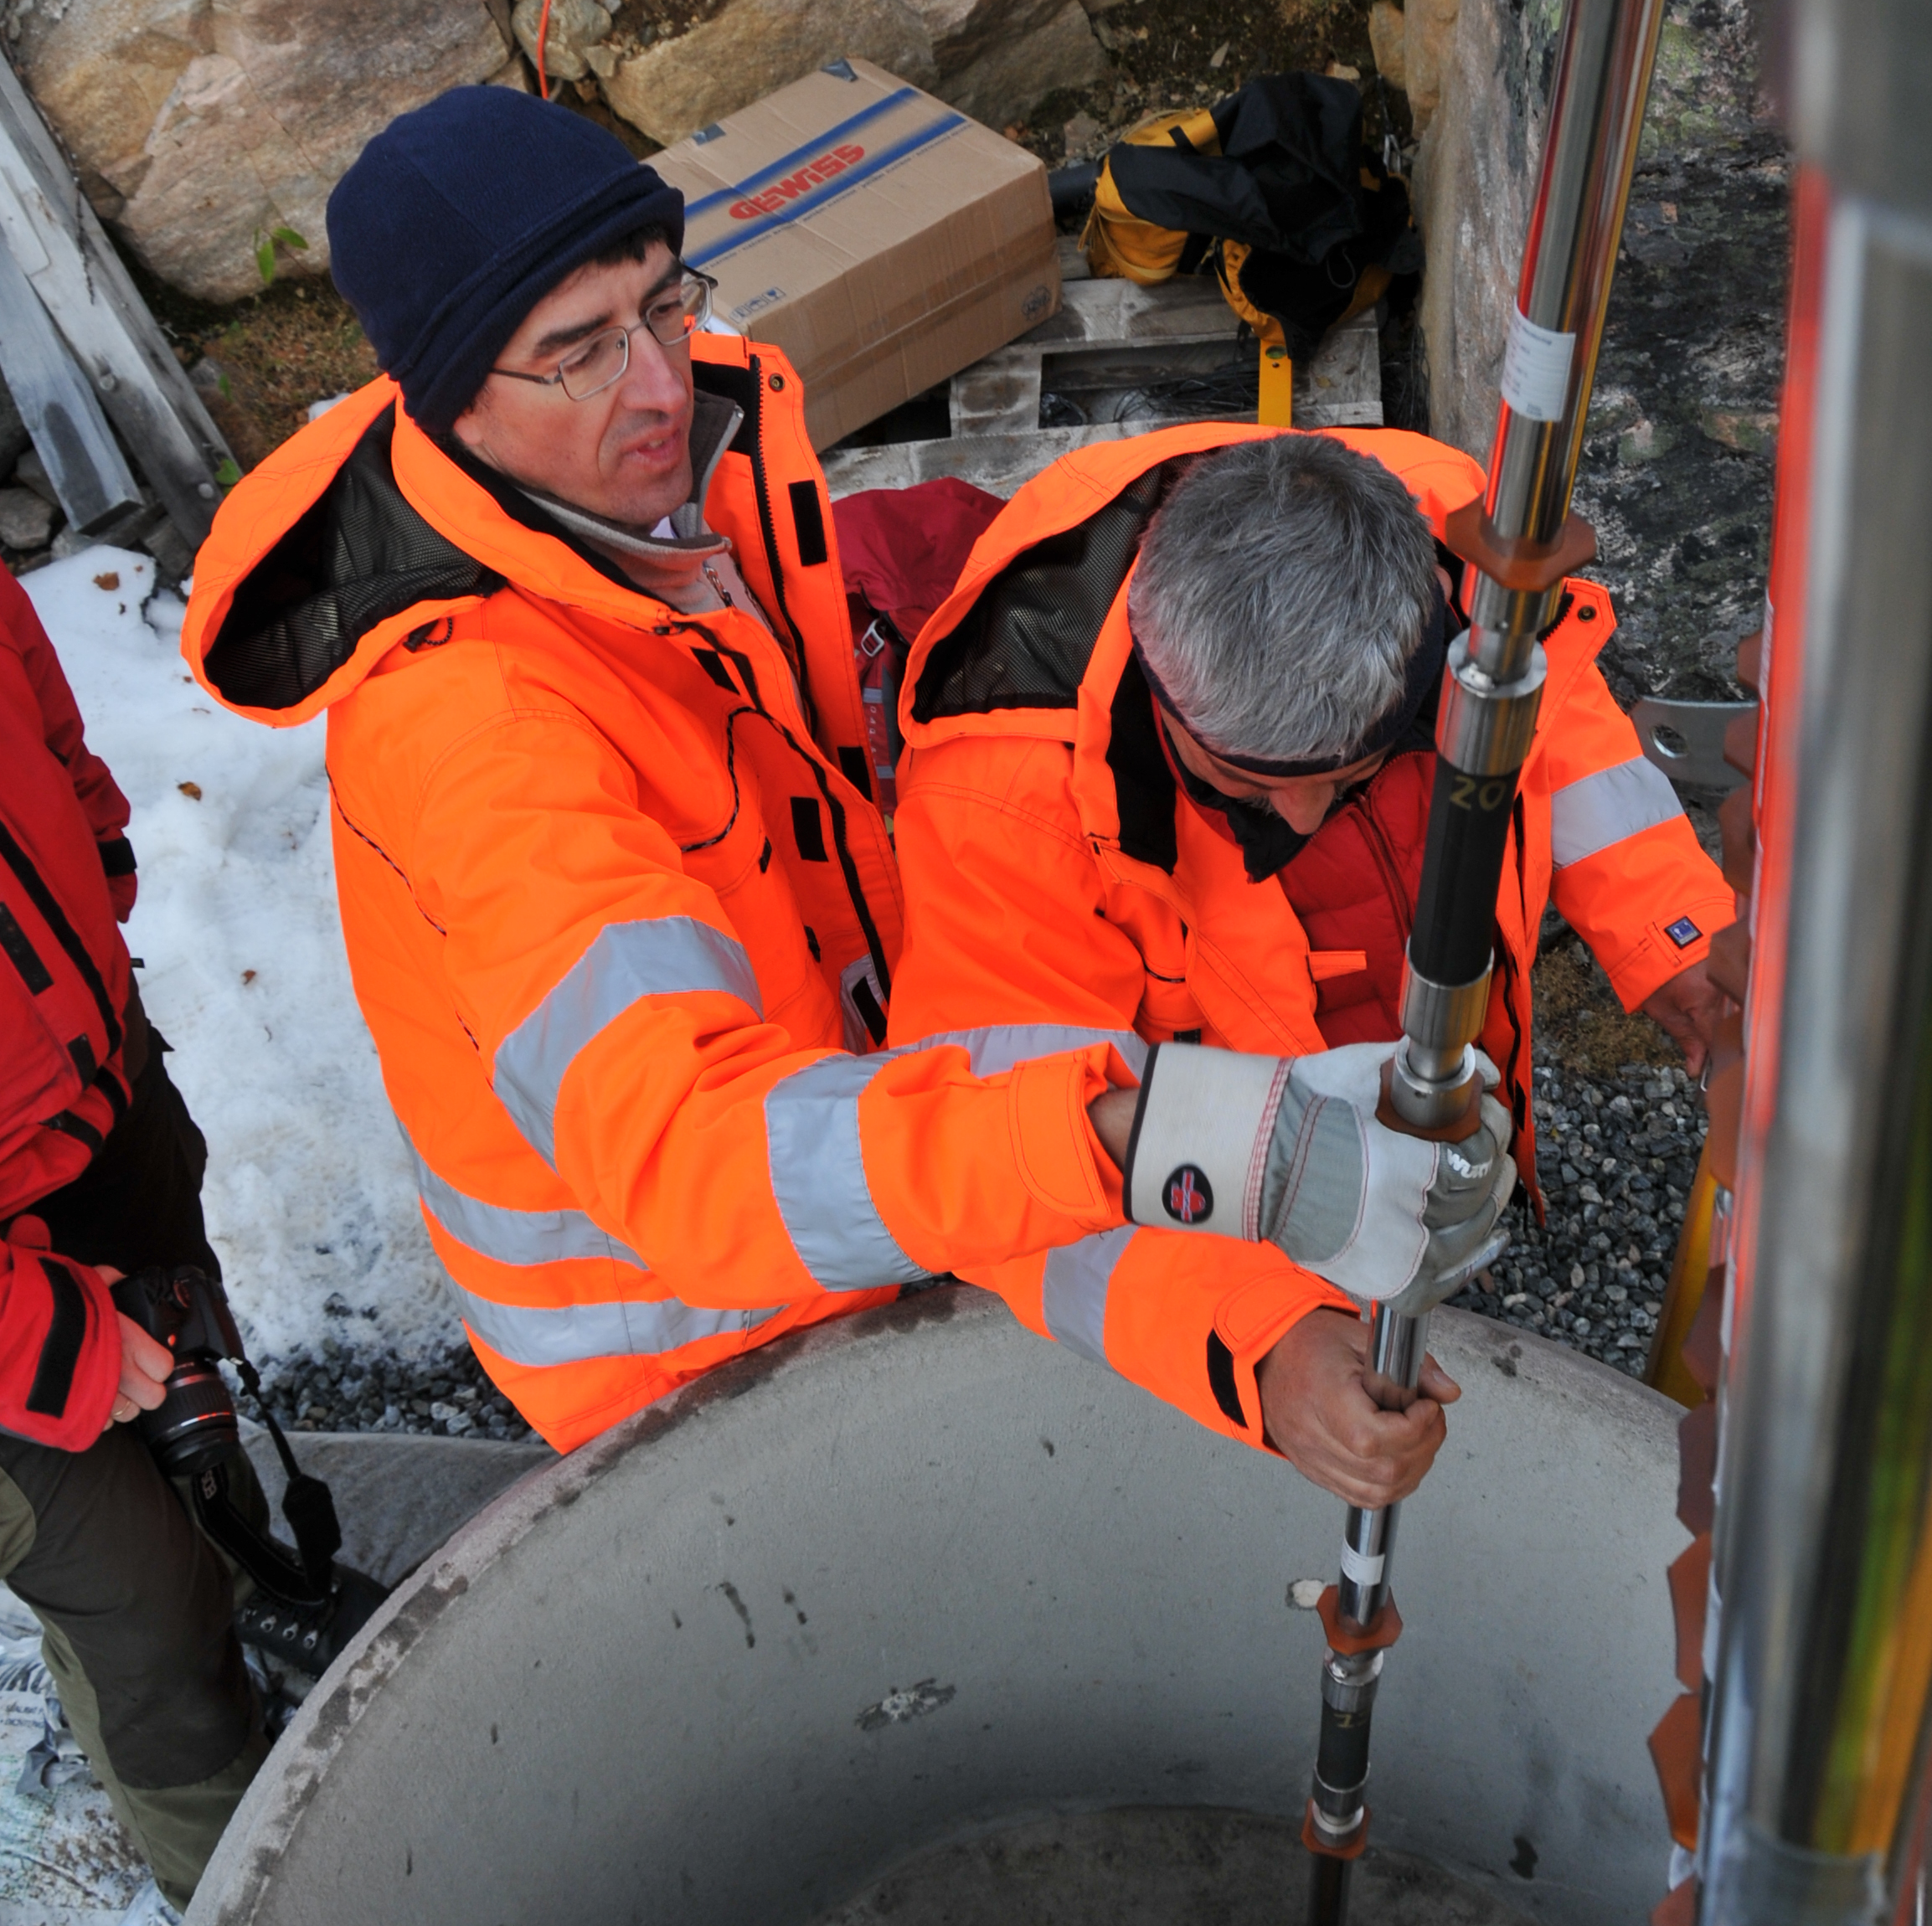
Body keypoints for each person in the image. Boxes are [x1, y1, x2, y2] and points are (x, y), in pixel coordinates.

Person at [183, 90, 1506, 1455]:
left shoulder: (669, 489)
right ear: (447, 399)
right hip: (694, 1365)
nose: (655, 381)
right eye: (577, 353)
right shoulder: (479, 734)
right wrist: (1174, 1134)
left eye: (659, 302)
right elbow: (692, 1157)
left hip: (871, 1186)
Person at [884, 425, 1739, 1505]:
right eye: (1244, 780)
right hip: (1220, 1246)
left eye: (1352, 772)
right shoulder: (998, 796)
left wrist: (1681, 943)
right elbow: (1004, 1168)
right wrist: (1267, 1343)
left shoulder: (1467, 547)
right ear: (1158, 684)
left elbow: (1568, 745)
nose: (1300, 814)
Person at [0, 567, 265, 1908]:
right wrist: (48, 1343)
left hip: (97, 1094)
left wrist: (91, 856)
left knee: (211, 1475)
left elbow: (29, 690)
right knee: (151, 1616)